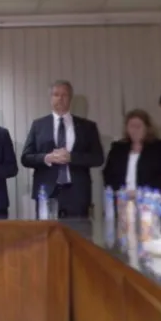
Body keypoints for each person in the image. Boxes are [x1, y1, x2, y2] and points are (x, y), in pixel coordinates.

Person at [21, 80, 104, 218]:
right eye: (56, 94)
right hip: (47, 192)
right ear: (50, 98)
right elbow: (26, 157)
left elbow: (98, 158)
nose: (60, 98)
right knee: (46, 231)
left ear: (70, 98)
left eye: (64, 95)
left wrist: (72, 157)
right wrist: (47, 158)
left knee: (78, 231)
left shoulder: (87, 127)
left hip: (77, 194)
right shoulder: (38, 125)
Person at [102, 109, 161, 192]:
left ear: (147, 128)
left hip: (149, 196)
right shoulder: (117, 148)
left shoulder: (159, 147)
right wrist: (117, 192)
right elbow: (108, 174)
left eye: (138, 126)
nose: (135, 130)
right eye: (131, 126)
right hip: (121, 195)